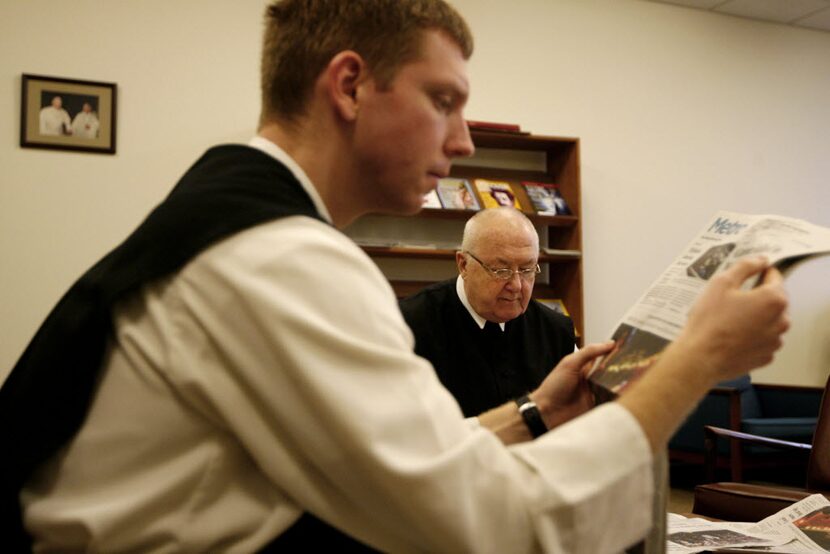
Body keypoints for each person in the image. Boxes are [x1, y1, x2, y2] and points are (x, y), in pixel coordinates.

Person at [0, 1, 789, 552]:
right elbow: (487, 525)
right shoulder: (280, 260)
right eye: (443, 100)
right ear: (348, 85)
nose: (465, 140)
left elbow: (397, 459)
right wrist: (692, 363)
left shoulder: (234, 223)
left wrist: (535, 412)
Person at [399, 207, 575, 417]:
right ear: (463, 265)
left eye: (527, 269)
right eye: (501, 270)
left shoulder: (555, 331)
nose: (517, 285)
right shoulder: (408, 325)